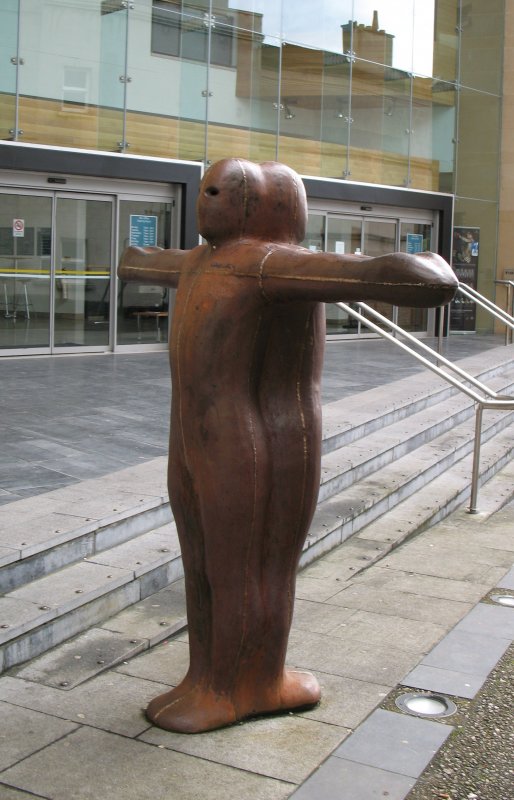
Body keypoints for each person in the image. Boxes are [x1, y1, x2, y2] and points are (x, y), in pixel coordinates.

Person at [118, 158, 457, 733]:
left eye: (230, 189)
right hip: (195, 438)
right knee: (202, 561)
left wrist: (425, 263)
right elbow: (134, 261)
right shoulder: (205, 260)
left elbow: (419, 283)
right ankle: (208, 676)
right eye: (212, 186)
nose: (213, 193)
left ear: (274, 206)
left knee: (248, 564)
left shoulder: (271, 264)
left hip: (256, 443)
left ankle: (248, 684)